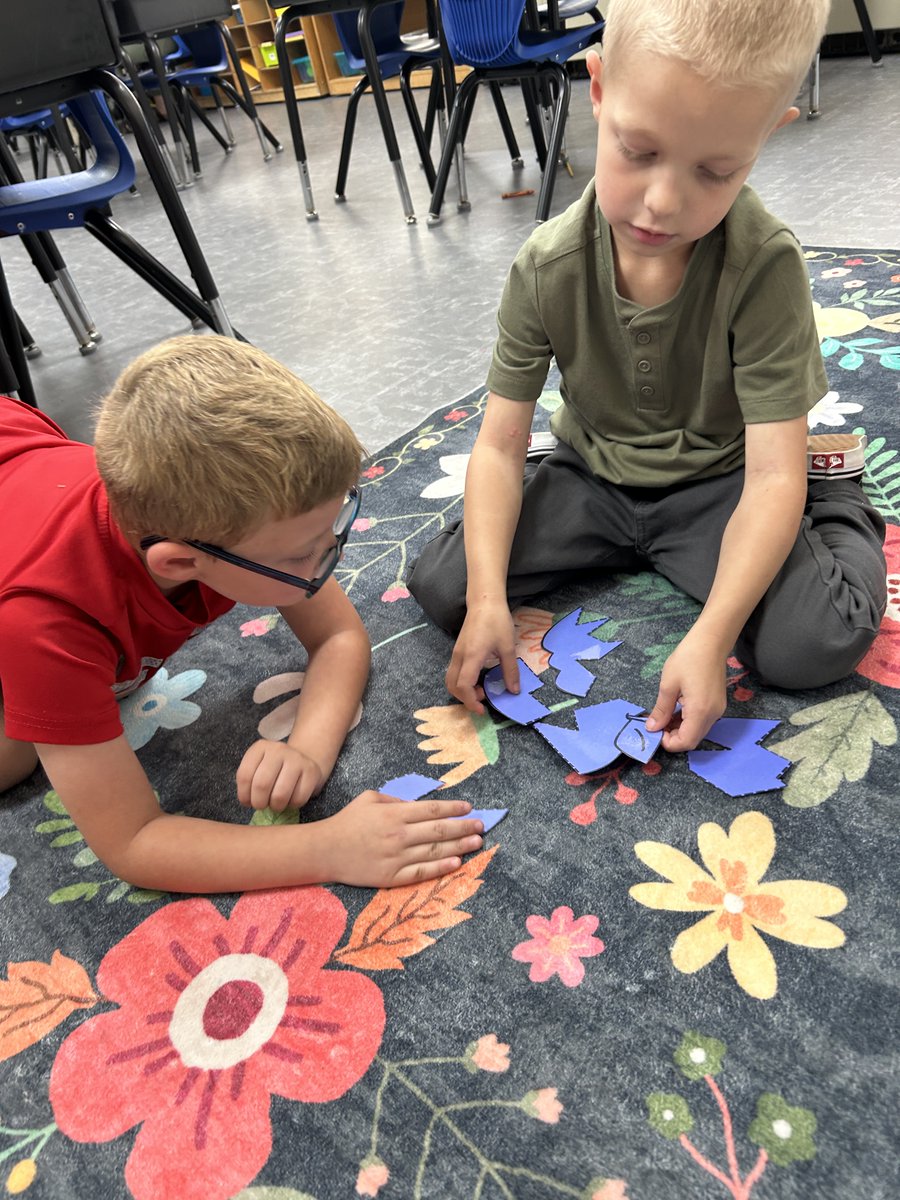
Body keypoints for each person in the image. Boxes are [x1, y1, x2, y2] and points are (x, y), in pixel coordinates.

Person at [408, 0, 887, 753]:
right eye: (637, 151)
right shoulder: (546, 265)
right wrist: (490, 598)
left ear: (767, 138)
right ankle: (574, 523)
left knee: (811, 642)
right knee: (448, 586)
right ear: (595, 89)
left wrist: (711, 635)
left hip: (723, 483)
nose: (664, 202)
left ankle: (834, 497)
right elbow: (498, 446)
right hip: (591, 475)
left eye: (715, 170)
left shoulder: (763, 265)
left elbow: (768, 479)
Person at [0, 336, 483, 892]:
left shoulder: (215, 524)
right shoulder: (44, 623)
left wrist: (307, 748)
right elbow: (134, 843)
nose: (330, 554)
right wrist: (327, 847)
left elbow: (339, 637)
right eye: (301, 552)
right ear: (181, 562)